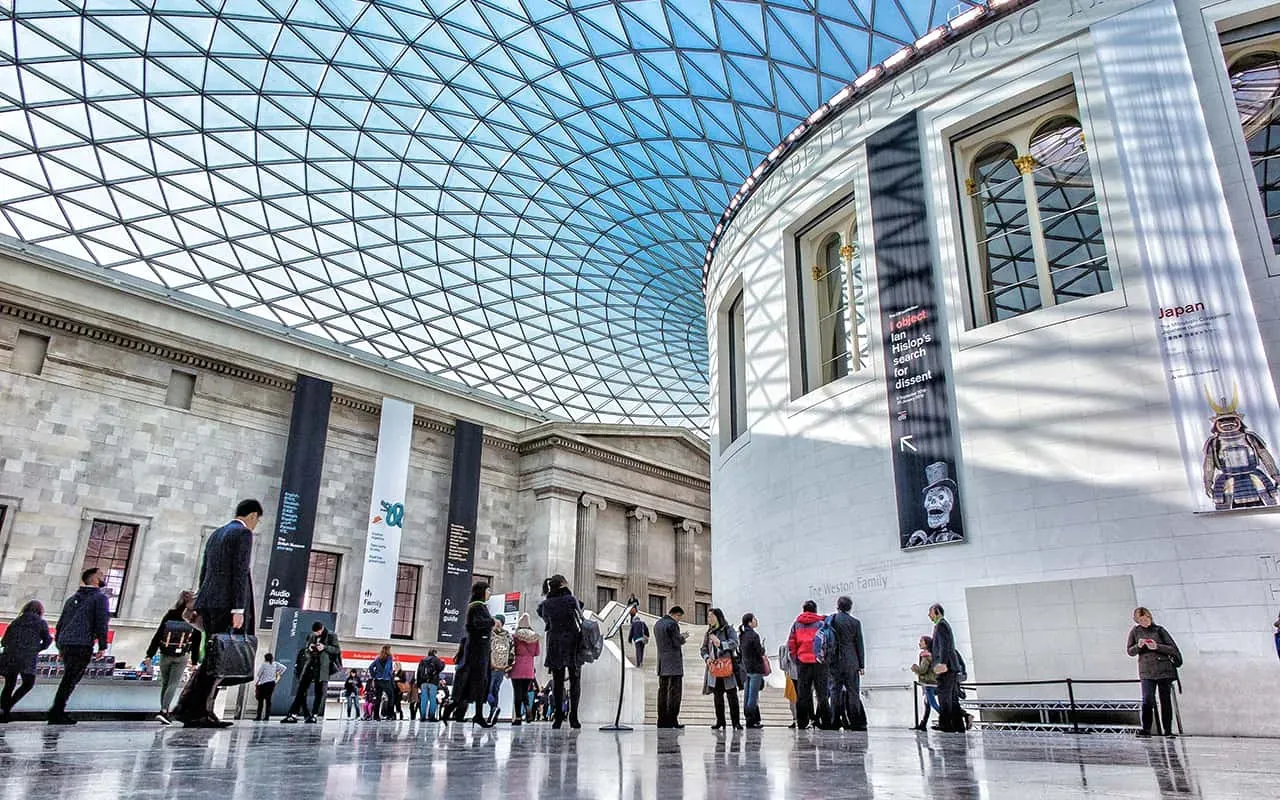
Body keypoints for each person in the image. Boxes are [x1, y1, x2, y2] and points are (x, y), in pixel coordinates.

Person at [174, 499, 261, 728]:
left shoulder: (216, 534)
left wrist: (201, 599)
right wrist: (238, 609)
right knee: (218, 660)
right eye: (257, 520)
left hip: (210, 601)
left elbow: (205, 570)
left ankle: (197, 708)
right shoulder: (243, 535)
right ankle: (194, 710)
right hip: (226, 605)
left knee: (213, 657)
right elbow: (240, 572)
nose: (256, 525)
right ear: (252, 516)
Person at [48, 567, 111, 725]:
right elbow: (101, 623)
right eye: (101, 574)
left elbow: (61, 623)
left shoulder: (72, 599)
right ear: (93, 578)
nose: (103, 577)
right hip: (81, 644)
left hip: (66, 642)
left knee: (68, 677)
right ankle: (57, 711)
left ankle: (57, 710)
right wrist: (103, 646)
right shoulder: (100, 598)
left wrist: (59, 644)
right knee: (71, 678)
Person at [146, 589, 202, 725]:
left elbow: (159, 634)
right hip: (182, 656)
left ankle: (163, 709)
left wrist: (149, 654)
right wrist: (195, 661)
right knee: (173, 683)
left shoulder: (171, 614)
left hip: (165, 653)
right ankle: (164, 711)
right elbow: (196, 641)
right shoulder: (193, 617)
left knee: (165, 683)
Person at [443, 581, 495, 726]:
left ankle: (462, 710)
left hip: (478, 649)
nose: (490, 593)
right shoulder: (478, 606)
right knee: (479, 681)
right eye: (488, 590)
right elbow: (479, 623)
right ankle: (476, 714)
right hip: (478, 650)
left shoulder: (477, 606)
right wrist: (492, 622)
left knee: (476, 682)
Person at [1126, 606, 1182, 738]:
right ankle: (1146, 729)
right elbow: (1130, 651)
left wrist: (1157, 646)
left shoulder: (1160, 630)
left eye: (1146, 618)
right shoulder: (1135, 632)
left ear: (1150, 617)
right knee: (1147, 699)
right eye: (1141, 620)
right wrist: (1138, 646)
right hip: (1146, 671)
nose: (1144, 622)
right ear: (1137, 620)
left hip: (1164, 670)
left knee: (1165, 700)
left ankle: (1167, 730)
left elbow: (1173, 649)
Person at [537, 574, 583, 729]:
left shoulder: (546, 604)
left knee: (557, 682)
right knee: (575, 680)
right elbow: (579, 610)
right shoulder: (570, 600)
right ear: (563, 584)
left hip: (554, 642)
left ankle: (557, 718)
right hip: (571, 641)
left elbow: (544, 617)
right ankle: (574, 717)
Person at [1, 600, 52, 722]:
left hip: (11, 656)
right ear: (40, 610)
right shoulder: (41, 623)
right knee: (28, 683)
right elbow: (47, 640)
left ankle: (3, 710)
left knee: (9, 684)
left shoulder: (16, 622)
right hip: (28, 658)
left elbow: (4, 641)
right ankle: (6, 709)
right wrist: (36, 648)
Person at [282, 621, 340, 724]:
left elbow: (336, 650)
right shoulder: (312, 635)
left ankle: (314, 715)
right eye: (315, 632)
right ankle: (292, 714)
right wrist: (309, 648)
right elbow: (307, 649)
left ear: (322, 629)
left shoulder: (331, 635)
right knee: (301, 689)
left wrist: (324, 647)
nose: (316, 634)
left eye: (318, 632)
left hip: (322, 667)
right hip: (310, 665)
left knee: (319, 692)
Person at [786, 599, 830, 730]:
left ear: (803, 610)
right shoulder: (821, 623)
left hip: (803, 662)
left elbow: (791, 643)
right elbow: (826, 642)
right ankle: (825, 721)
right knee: (822, 694)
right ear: (815, 610)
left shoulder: (796, 624)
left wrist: (796, 659)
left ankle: (802, 722)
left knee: (803, 694)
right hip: (819, 662)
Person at [829, 595, 867, 731]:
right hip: (852, 661)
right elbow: (859, 644)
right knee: (853, 692)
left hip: (835, 661)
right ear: (850, 607)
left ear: (838, 606)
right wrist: (861, 664)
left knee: (835, 691)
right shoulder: (855, 622)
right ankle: (855, 721)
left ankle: (834, 720)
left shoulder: (832, 620)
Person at [700, 607, 742, 730]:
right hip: (714, 669)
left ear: (718, 617)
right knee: (717, 697)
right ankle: (720, 721)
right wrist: (707, 658)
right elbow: (703, 649)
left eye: (711, 616)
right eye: (708, 617)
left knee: (732, 696)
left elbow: (735, 642)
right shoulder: (709, 633)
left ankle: (736, 722)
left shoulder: (728, 629)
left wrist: (721, 644)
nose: (709, 619)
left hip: (727, 668)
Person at [928, 603, 965, 733]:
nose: (929, 615)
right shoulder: (941, 625)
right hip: (950, 666)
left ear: (937, 612)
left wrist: (942, 663)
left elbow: (945, 646)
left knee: (944, 696)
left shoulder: (942, 625)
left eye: (930, 612)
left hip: (947, 667)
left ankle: (946, 724)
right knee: (952, 698)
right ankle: (958, 725)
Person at [654, 605, 688, 728]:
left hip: (662, 663)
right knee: (674, 693)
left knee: (662, 692)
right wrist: (683, 638)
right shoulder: (672, 625)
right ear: (676, 615)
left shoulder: (658, 624)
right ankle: (672, 720)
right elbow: (676, 642)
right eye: (679, 617)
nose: (679, 620)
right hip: (674, 664)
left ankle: (662, 720)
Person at [511, 612, 541, 726]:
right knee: (525, 692)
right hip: (528, 668)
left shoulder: (515, 636)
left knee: (517, 692)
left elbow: (512, 651)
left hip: (517, 667)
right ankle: (528, 707)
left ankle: (518, 717)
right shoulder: (535, 637)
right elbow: (537, 652)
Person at [738, 613, 766, 729]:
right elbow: (759, 652)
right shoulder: (754, 635)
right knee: (753, 696)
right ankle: (751, 720)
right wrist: (763, 648)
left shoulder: (742, 635)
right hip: (756, 668)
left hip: (747, 668)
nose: (756, 620)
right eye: (754, 619)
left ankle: (749, 718)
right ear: (750, 622)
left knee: (747, 695)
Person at [910, 635, 940, 731]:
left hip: (928, 683)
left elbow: (923, 670)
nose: (919, 643)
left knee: (932, 704)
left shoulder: (925, 656)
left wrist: (915, 668)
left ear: (926, 643)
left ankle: (947, 719)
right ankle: (923, 724)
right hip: (931, 682)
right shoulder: (931, 654)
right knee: (927, 704)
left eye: (921, 641)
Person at [487, 613, 514, 723]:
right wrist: (508, 667)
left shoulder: (490, 634)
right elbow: (512, 653)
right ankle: (492, 714)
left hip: (491, 667)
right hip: (502, 668)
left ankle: (494, 708)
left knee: (486, 691)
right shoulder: (508, 636)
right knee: (495, 691)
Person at [253, 652, 286, 721]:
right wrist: (278, 673)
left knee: (261, 701)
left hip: (263, 684)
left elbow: (259, 674)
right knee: (268, 701)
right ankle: (267, 717)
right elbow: (284, 668)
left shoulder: (264, 664)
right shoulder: (275, 664)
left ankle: (258, 717)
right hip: (271, 684)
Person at [368, 645, 397, 721]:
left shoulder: (378, 658)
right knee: (391, 697)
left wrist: (374, 676)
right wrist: (386, 676)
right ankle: (390, 714)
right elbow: (387, 668)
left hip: (378, 681)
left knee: (378, 698)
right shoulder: (389, 658)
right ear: (388, 650)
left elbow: (371, 667)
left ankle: (376, 716)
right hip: (386, 681)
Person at [416, 649, 445, 721]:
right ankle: (431, 717)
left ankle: (422, 717)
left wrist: (419, 683)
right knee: (432, 699)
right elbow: (440, 668)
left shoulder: (422, 660)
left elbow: (419, 672)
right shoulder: (436, 659)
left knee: (424, 700)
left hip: (423, 683)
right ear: (434, 653)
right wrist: (443, 663)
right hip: (433, 682)